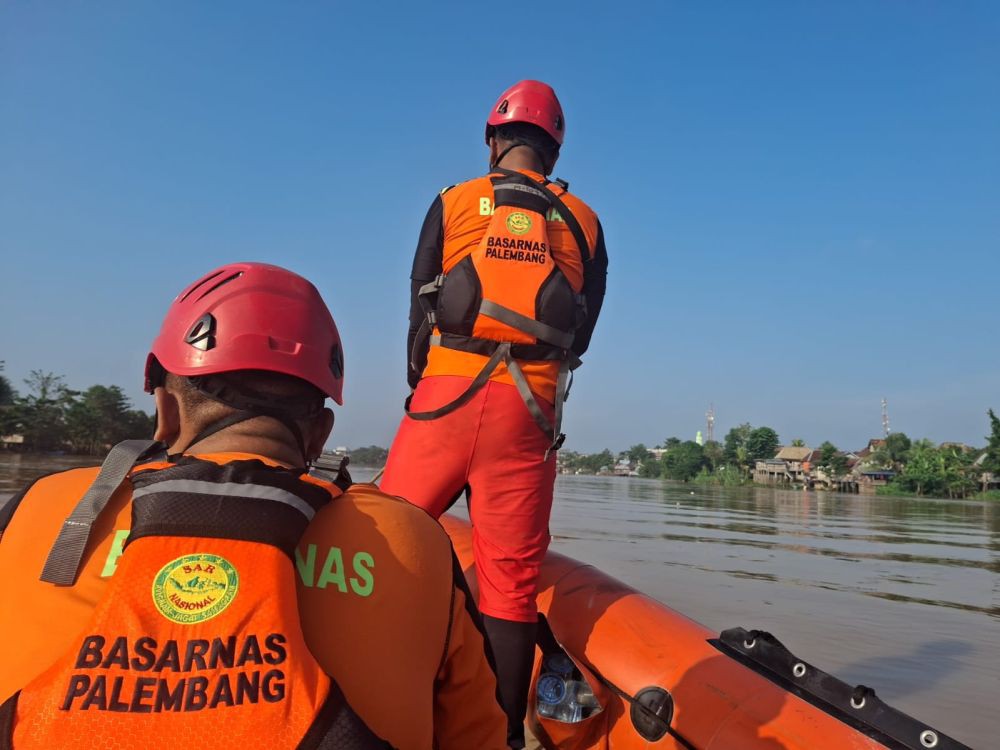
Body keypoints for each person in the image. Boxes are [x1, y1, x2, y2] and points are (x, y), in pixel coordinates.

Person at [0, 262, 508, 749]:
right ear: (320, 434)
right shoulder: (413, 537)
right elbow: (477, 734)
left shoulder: (40, 507)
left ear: (166, 410)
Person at [379, 80, 608, 748]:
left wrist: (420, 387)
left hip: (445, 392)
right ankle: (502, 735)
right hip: (529, 410)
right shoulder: (585, 220)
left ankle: (376, 692)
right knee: (510, 588)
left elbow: (423, 305)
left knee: (387, 545)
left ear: (492, 141)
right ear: (554, 150)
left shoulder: (454, 200)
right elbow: (582, 332)